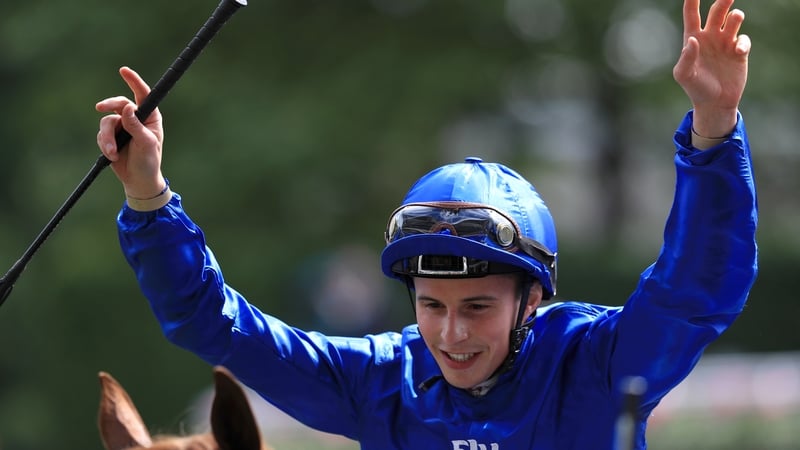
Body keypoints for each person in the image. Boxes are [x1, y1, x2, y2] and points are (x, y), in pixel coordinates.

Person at [95, 0, 756, 448]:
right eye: (431, 305)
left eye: (476, 306)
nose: (451, 333)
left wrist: (715, 127)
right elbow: (212, 323)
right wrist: (149, 193)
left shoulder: (598, 364)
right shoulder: (381, 382)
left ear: (532, 300)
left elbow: (695, 290)